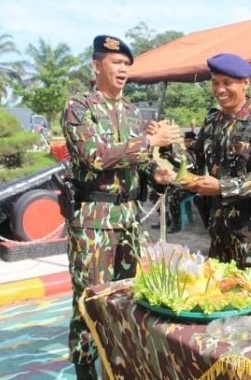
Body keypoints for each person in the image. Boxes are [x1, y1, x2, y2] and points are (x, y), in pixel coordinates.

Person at [61, 34, 180, 379]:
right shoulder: (79, 107)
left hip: (128, 219)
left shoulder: (130, 111)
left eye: (127, 65)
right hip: (93, 222)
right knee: (90, 300)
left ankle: (122, 362)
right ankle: (86, 369)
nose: (123, 70)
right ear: (96, 66)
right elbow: (94, 156)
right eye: (116, 63)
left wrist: (156, 169)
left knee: (129, 298)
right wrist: (147, 142)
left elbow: (137, 161)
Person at [179, 53, 251, 269]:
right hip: (218, 228)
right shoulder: (212, 121)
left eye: (227, 83)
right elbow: (194, 159)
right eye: (215, 83)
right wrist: (169, 148)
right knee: (219, 294)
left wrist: (221, 187)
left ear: (246, 84)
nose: (219, 90)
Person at [164, 131, 198, 232]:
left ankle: (176, 225)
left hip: (192, 185)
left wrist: (170, 157)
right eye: (185, 141)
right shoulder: (185, 152)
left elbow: (184, 164)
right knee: (160, 191)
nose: (187, 143)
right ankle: (166, 219)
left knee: (173, 196)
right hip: (181, 182)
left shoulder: (195, 153)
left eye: (189, 141)